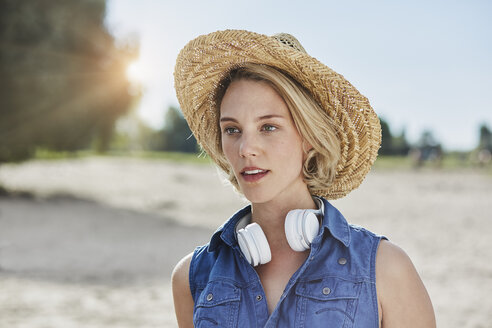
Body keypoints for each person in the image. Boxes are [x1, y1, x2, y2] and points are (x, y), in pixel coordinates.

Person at [171, 30, 435, 328]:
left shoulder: (386, 270)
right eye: (232, 129)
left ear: (309, 137)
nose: (246, 149)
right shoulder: (192, 278)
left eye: (268, 127)